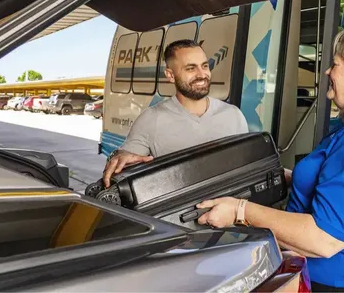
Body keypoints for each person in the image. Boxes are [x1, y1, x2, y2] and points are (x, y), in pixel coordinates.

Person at [196, 30, 344, 292]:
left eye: (335, 65)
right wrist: (295, 177)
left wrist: (240, 210)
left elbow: (324, 239)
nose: (328, 73)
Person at [103, 39, 249, 187]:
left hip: (229, 208)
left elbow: (247, 170)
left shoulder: (233, 115)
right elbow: (123, 160)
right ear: (170, 75)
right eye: (191, 68)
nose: (202, 74)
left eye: (204, 66)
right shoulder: (151, 119)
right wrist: (118, 156)